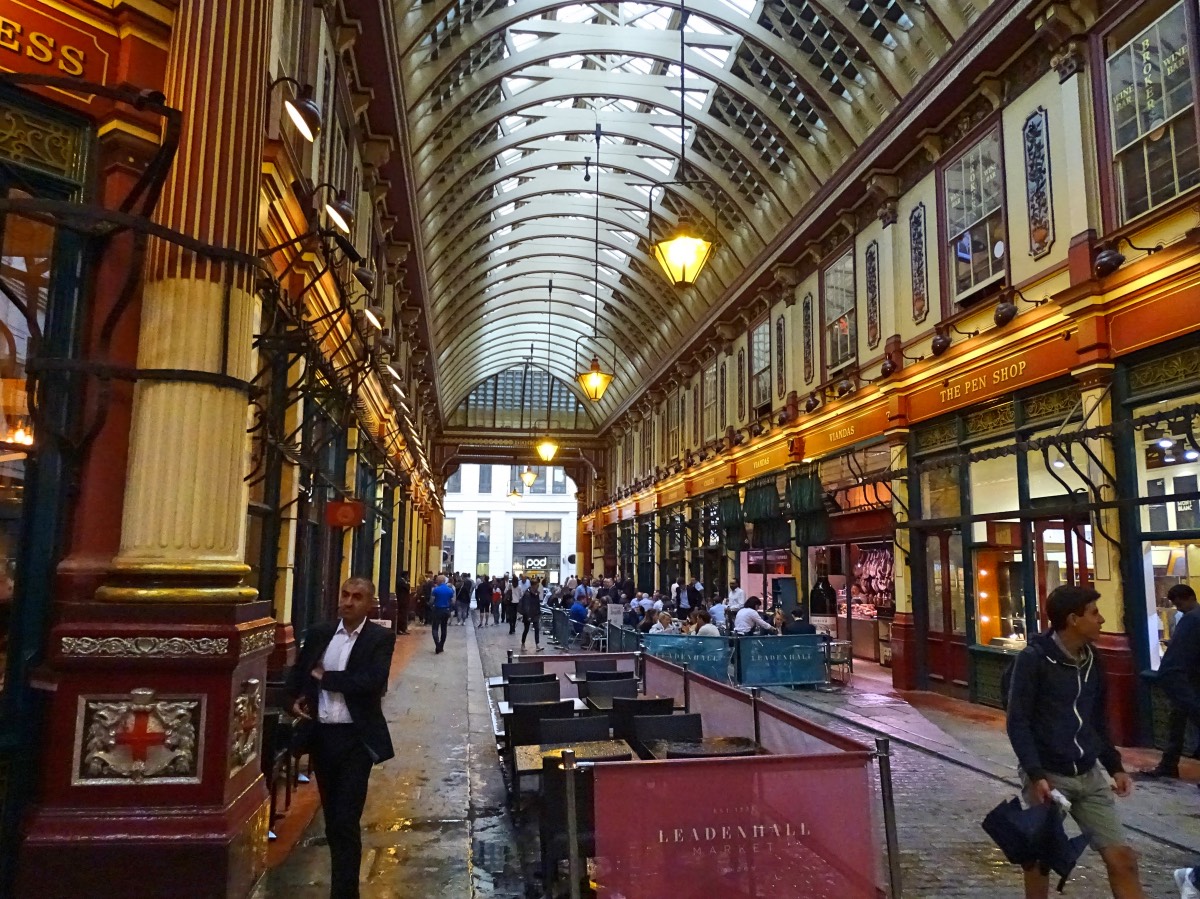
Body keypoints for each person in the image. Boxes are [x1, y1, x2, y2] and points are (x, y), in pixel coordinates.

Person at [1006, 585, 1143, 899]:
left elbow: (1097, 720)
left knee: (1122, 859)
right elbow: (1018, 721)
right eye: (1094, 613)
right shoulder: (1034, 659)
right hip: (1049, 776)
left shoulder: (1093, 659)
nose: (1102, 619)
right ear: (1073, 619)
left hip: (1089, 774)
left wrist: (1115, 766)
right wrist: (1035, 774)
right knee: (1040, 860)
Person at [286, 577, 396, 899]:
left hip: (355, 740)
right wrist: (293, 698)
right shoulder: (321, 633)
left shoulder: (380, 638)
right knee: (333, 819)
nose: (348, 602)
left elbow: (371, 682)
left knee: (347, 819)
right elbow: (300, 673)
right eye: (345, 595)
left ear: (369, 604)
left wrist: (326, 678)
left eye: (357, 597)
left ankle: (345, 894)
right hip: (322, 737)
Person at [1144, 584, 1200, 780]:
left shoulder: (1191, 619)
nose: (1178, 608)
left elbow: (1175, 658)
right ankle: (1168, 764)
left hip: (1186, 681)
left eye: (1178, 604)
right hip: (1190, 679)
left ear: (1186, 599)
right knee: (1177, 723)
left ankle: (1168, 765)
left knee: (1179, 723)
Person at [429, 575, 455, 653]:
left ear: (439, 581)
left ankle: (437, 645)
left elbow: (431, 601)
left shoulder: (435, 590)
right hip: (446, 610)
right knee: (444, 628)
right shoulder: (450, 590)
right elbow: (453, 602)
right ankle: (441, 645)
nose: (436, 581)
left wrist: (431, 606)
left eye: (437, 580)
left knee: (435, 628)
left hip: (437, 610)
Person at [519, 578, 544, 651]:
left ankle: (537, 644)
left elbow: (537, 604)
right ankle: (523, 644)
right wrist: (527, 615)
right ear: (533, 585)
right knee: (526, 629)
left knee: (537, 628)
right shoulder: (527, 594)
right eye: (536, 585)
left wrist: (538, 612)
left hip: (535, 613)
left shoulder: (536, 593)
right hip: (528, 614)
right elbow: (526, 605)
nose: (537, 587)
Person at [394, 571, 411, 636]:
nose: (408, 577)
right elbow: (407, 588)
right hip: (402, 601)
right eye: (407, 576)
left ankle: (403, 629)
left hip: (404, 602)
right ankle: (400, 629)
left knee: (404, 616)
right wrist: (408, 583)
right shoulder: (401, 582)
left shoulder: (403, 582)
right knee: (401, 616)